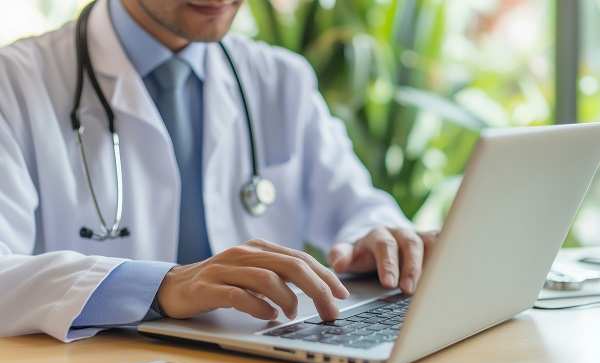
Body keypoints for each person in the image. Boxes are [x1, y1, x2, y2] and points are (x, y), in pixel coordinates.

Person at [0, 0, 437, 342]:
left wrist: (378, 237)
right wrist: (159, 287)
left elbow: (358, 204)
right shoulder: (16, 83)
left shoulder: (281, 78)